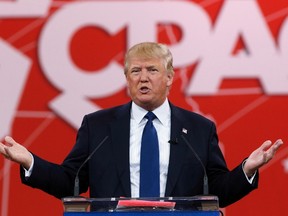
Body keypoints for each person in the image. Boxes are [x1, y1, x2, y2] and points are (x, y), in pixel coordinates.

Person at [0, 42, 283, 208]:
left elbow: (217, 191)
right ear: (126, 78)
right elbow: (70, 183)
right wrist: (30, 162)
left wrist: (246, 169)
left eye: (152, 70)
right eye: (135, 71)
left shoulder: (198, 128)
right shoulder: (98, 126)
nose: (142, 78)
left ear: (170, 77)